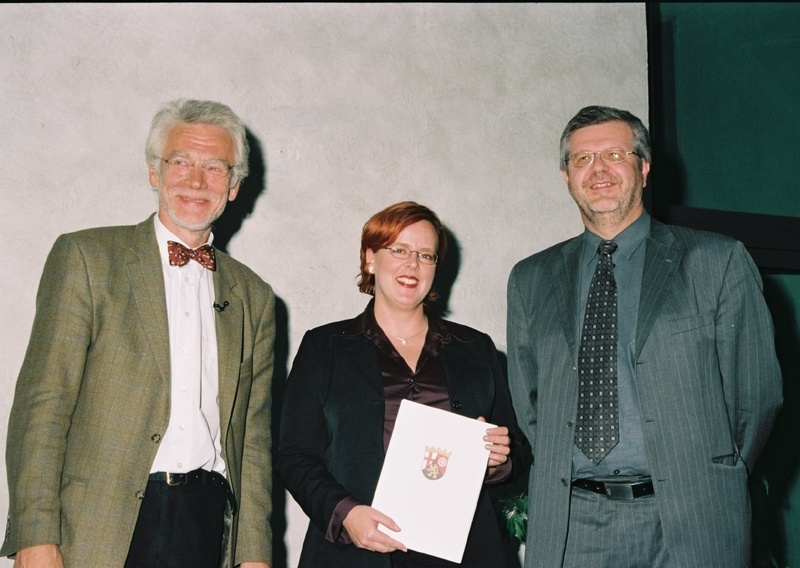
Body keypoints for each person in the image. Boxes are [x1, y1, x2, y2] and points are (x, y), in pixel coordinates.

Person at [1, 99, 274, 568]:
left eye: (214, 168)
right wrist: (34, 534)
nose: (195, 181)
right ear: (154, 173)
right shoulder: (87, 258)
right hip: (97, 527)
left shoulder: (255, 296)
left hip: (206, 527)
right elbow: (42, 406)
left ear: (233, 187)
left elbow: (252, 438)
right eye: (181, 162)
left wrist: (254, 553)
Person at [506, 105, 783, 567]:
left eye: (615, 153)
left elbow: (755, 400)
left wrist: (708, 475)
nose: (598, 169)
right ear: (566, 176)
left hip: (691, 523)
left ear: (645, 166)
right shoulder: (531, 278)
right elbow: (530, 405)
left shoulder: (716, 262)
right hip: (574, 528)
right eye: (582, 159)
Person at [277, 201, 526, 568]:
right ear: (370, 259)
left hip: (463, 552)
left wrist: (495, 462)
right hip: (355, 553)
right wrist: (346, 514)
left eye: (426, 255)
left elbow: (517, 450)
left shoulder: (476, 349)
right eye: (399, 250)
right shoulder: (324, 348)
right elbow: (295, 457)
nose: (413, 265)